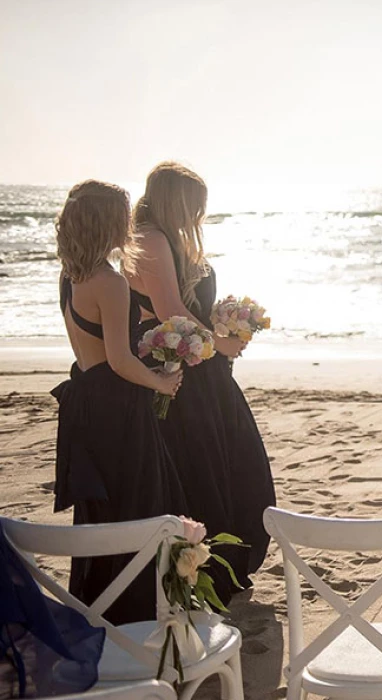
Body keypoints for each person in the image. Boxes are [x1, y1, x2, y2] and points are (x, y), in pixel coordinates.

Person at [125, 162, 275, 602]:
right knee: (207, 463)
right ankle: (206, 571)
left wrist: (227, 321)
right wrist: (221, 344)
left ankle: (221, 564)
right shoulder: (150, 239)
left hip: (200, 362)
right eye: (196, 205)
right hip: (180, 367)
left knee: (232, 459)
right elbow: (171, 310)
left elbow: (188, 306)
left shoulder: (170, 239)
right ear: (177, 200)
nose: (201, 215)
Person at [50, 180, 186, 624]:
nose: (129, 224)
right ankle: (138, 617)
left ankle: (102, 611)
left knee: (103, 513)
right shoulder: (109, 282)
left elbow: (98, 350)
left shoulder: (71, 277)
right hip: (115, 406)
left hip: (86, 401)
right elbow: (120, 359)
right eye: (123, 216)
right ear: (107, 222)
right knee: (140, 504)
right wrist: (160, 383)